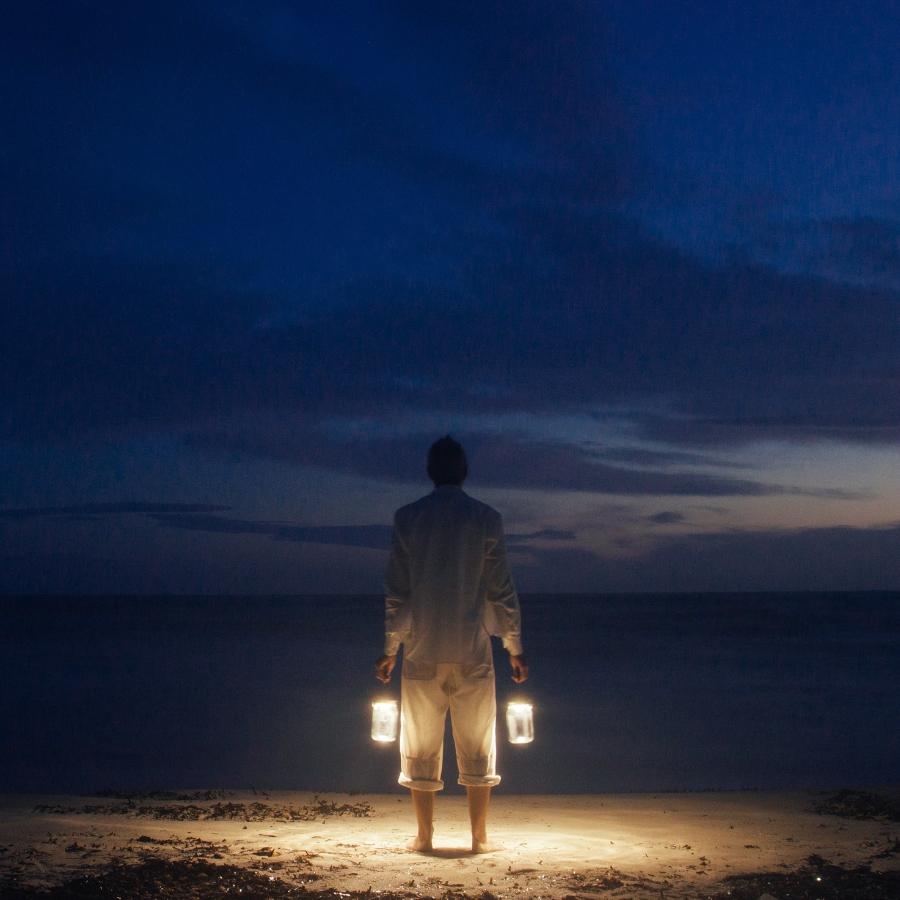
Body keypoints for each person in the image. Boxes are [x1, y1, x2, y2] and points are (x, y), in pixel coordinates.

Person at [374, 434, 528, 853]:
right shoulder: (485, 517)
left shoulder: (408, 517)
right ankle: (479, 838)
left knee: (419, 745)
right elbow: (501, 589)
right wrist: (513, 646)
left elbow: (398, 593)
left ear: (430, 472)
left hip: (422, 646)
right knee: (479, 743)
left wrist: (391, 649)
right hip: (471, 646)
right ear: (464, 472)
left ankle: (424, 837)